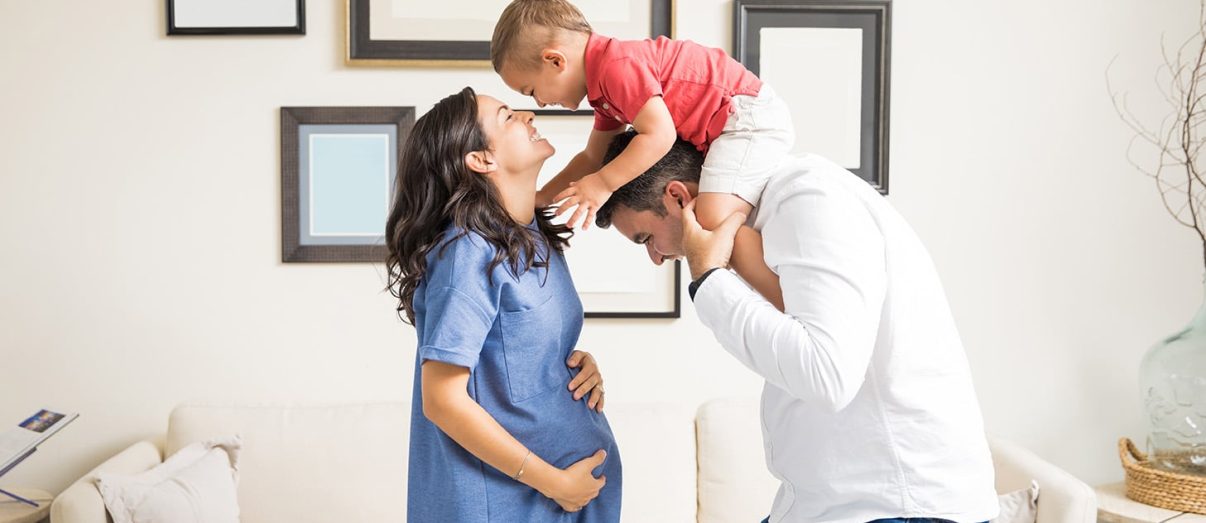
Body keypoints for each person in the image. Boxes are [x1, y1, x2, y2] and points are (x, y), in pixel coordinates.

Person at [595, 131, 999, 523]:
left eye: (646, 237)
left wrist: (708, 279)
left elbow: (826, 377)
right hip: (831, 503)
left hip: (896, 504)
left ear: (678, 197)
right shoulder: (773, 217)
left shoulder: (809, 199)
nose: (655, 257)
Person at [385, 87, 622, 522]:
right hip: (502, 504)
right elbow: (441, 399)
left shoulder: (531, 236)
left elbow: (511, 355)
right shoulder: (466, 252)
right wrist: (555, 483)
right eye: (509, 116)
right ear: (481, 159)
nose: (529, 115)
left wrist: (570, 365)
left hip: (554, 504)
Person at [490, 0, 793, 311]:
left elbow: (660, 135)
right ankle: (783, 294)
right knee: (716, 220)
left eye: (530, 91)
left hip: (745, 117)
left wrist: (603, 184)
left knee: (711, 221)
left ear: (554, 60)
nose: (538, 103)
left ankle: (791, 304)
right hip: (732, 124)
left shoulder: (616, 67)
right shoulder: (605, 88)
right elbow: (593, 157)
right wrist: (541, 197)